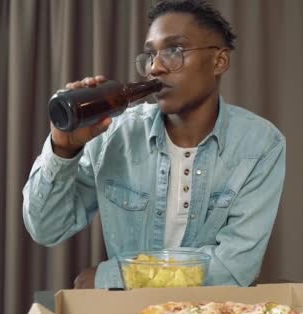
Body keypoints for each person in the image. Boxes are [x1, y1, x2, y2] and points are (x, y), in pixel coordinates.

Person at [22, 0, 286, 289]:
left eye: (174, 51)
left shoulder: (260, 144)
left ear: (219, 61)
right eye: (150, 55)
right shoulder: (114, 135)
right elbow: (46, 229)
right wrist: (64, 149)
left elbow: (234, 268)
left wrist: (115, 276)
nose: (155, 67)